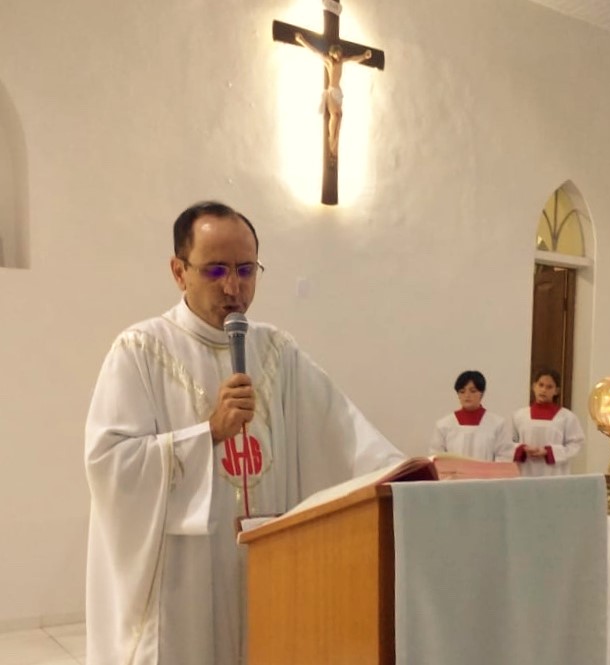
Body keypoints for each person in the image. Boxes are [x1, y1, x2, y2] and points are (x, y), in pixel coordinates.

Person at [84, 201, 405, 665]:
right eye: (215, 270)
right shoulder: (140, 350)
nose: (233, 288)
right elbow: (109, 464)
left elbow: (345, 434)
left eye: (246, 270)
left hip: (267, 561)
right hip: (188, 577)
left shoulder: (277, 351)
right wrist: (207, 434)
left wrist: (408, 474)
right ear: (179, 272)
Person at [294, 31, 372, 160]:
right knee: (335, 115)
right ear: (331, 53)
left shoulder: (341, 62)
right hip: (331, 91)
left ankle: (335, 143)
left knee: (340, 116)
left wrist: (364, 56)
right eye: (336, 52)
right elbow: (314, 51)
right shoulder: (328, 61)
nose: (339, 55)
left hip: (338, 92)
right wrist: (301, 40)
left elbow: (353, 58)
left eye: (340, 53)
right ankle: (331, 141)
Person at [511, 368, 584, 476]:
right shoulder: (520, 415)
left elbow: (576, 444)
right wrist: (522, 449)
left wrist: (549, 452)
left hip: (554, 473)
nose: (543, 390)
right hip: (525, 472)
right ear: (534, 386)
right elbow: (508, 443)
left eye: (549, 387)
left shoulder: (566, 417)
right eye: (541, 385)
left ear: (556, 391)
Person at [429, 370, 514, 461]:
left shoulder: (497, 424)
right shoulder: (444, 425)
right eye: (462, 391)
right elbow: (436, 457)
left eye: (473, 391)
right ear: (458, 395)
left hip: (487, 474)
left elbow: (504, 456)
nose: (467, 395)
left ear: (482, 393)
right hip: (453, 475)